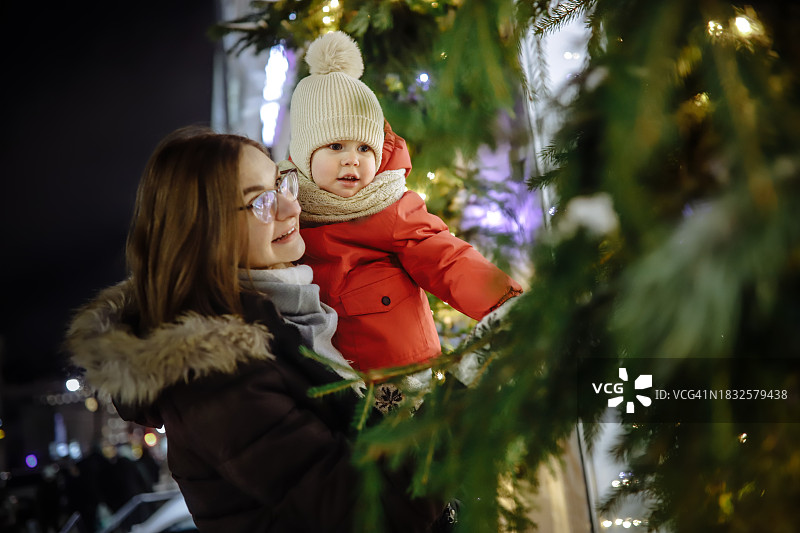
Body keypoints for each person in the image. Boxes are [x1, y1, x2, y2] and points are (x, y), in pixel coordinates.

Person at [64, 126, 446, 532]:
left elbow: (361, 431)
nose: (291, 207)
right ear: (204, 233)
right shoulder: (216, 374)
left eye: (281, 183)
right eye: (260, 201)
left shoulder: (291, 316)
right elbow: (370, 514)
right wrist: (458, 415)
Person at [282, 31, 524, 372]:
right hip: (325, 373)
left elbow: (446, 258)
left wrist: (504, 303)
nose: (352, 159)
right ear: (305, 153)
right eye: (336, 146)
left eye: (364, 148)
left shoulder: (389, 206)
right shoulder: (286, 206)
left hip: (400, 368)